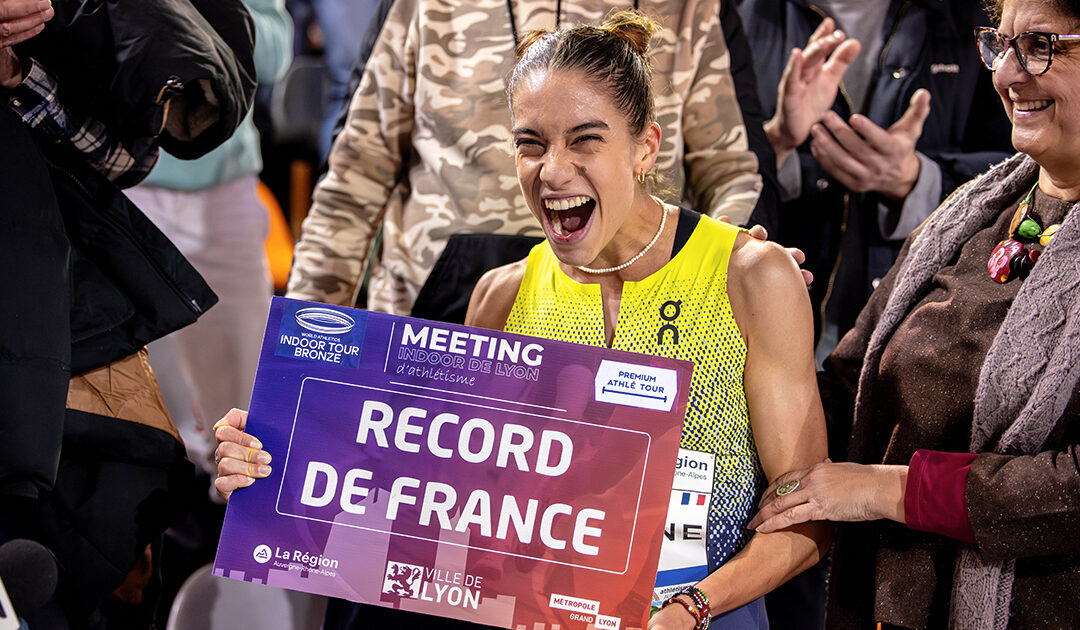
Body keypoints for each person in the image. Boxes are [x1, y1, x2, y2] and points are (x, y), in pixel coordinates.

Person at [217, 11, 829, 629]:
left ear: (646, 146)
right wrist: (275, 461)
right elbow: (434, 503)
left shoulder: (751, 277)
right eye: (530, 143)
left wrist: (687, 611)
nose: (552, 170)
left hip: (705, 613)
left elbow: (807, 515)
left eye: (585, 139)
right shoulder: (498, 298)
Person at [747, 0, 1080, 626]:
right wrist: (760, 311)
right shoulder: (971, 214)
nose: (1008, 73)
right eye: (1000, 44)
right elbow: (846, 391)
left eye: (1040, 45)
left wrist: (889, 489)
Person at [1, 0, 256, 626]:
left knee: (205, 459)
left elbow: (124, 156)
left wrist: (11, 73)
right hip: (70, 295)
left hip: (54, 306)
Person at [285, 0, 774, 319]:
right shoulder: (422, 7)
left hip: (635, 320)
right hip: (436, 329)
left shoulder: (692, 9)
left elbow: (735, 171)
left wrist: (727, 264)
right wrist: (299, 352)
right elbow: (351, 184)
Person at [737, 0, 1014, 362]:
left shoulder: (977, 18)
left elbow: (1028, 163)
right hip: (767, 326)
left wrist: (919, 179)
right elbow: (696, 177)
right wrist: (777, 143)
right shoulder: (738, 13)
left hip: (912, 332)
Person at [124, 0, 292, 478]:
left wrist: (193, 14)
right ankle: (172, 510)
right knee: (145, 382)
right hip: (124, 181)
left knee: (247, 378)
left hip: (226, 184)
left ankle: (233, 512)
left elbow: (276, 51)